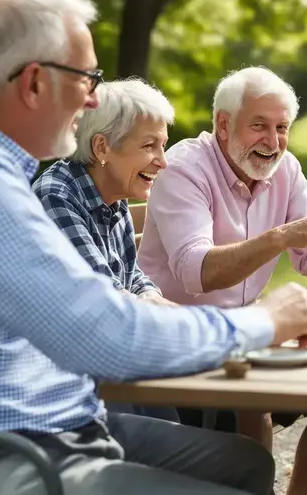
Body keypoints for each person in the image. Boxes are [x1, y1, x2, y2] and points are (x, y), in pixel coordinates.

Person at [0, 0, 307, 495]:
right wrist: (262, 321)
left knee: (247, 466)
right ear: (33, 83)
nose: (95, 96)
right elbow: (104, 334)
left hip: (44, 432)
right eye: (86, 77)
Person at [139, 66, 307, 495]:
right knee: (254, 404)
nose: (274, 141)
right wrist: (281, 236)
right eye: (259, 126)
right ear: (223, 125)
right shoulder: (184, 169)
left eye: (282, 128)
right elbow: (196, 271)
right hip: (183, 345)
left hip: (250, 338)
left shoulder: (286, 169)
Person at [33, 77, 180, 422]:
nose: (163, 162)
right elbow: (107, 303)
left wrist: (151, 297)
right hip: (73, 391)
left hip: (114, 367)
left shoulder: (112, 194)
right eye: (149, 146)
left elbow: (133, 277)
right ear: (102, 148)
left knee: (218, 414)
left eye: (163, 146)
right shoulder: (56, 197)